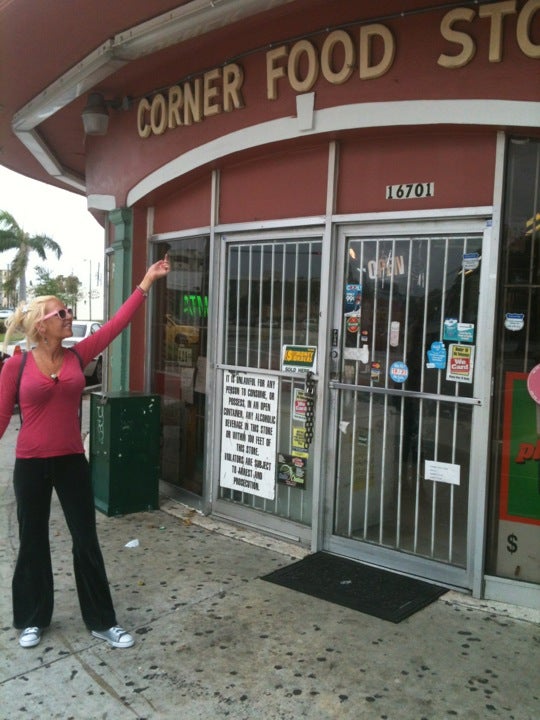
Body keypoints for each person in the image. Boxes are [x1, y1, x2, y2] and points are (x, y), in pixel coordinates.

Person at [0, 257, 170, 649]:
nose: (69, 315)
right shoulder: (17, 366)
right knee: (32, 540)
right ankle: (31, 618)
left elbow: (115, 325)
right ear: (41, 324)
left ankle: (102, 621)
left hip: (72, 462)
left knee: (86, 540)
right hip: (29, 463)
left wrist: (145, 281)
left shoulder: (78, 356)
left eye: (69, 310)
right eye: (62, 311)